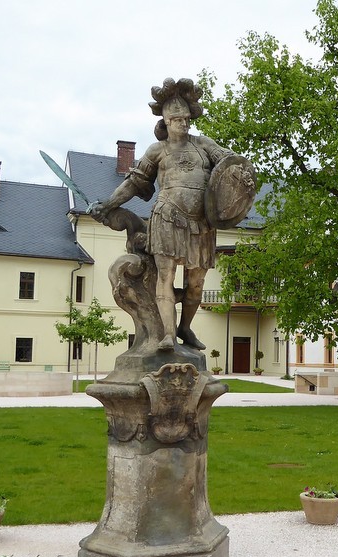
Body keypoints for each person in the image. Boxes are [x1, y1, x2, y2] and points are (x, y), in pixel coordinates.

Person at [90, 78, 234, 352]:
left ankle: (185, 328)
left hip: (202, 224)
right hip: (167, 218)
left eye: (186, 118)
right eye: (177, 118)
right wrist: (109, 204)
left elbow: (230, 164)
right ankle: (168, 335)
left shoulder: (204, 145)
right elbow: (134, 182)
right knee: (164, 277)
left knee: (195, 283)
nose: (183, 123)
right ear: (166, 121)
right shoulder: (158, 150)